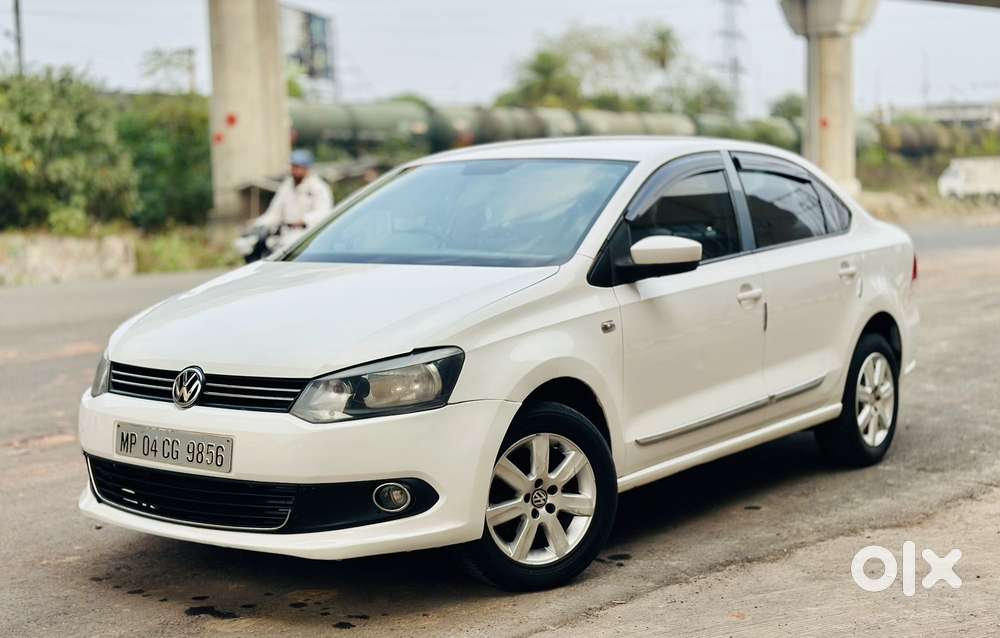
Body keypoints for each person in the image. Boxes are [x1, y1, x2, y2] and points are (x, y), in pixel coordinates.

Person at [253, 149, 333, 236]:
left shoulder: (319, 187)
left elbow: (324, 213)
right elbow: (274, 213)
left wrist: (304, 221)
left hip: (309, 235)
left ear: (307, 168)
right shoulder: (286, 186)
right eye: (293, 166)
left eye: (299, 167)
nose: (295, 170)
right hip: (286, 237)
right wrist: (257, 223)